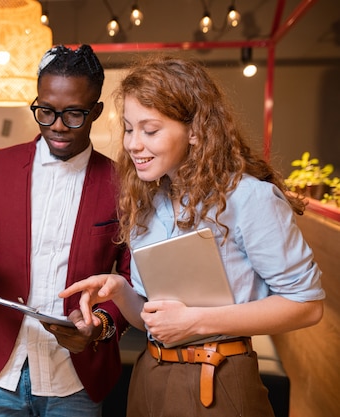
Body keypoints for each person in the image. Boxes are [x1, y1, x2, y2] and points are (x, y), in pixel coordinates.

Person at [60, 54, 325, 416]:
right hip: (150, 376)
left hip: (219, 380)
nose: (134, 144)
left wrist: (196, 321)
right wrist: (121, 292)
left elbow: (306, 305)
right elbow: (153, 322)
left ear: (197, 130)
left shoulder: (248, 197)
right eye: (128, 128)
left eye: (150, 130)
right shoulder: (146, 200)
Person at [0, 44, 132, 417]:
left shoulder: (123, 183)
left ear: (96, 111)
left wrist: (100, 325)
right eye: (45, 112)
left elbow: (135, 278)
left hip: (76, 379)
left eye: (74, 114)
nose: (58, 125)